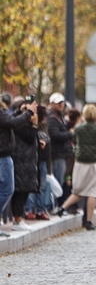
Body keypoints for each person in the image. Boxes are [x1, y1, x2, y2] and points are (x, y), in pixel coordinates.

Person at [56, 104, 96, 230]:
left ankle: (62, 207)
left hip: (81, 163)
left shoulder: (79, 128)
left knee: (78, 190)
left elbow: (74, 139)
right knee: (93, 192)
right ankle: (88, 221)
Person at [10, 99, 40, 231]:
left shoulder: (22, 120)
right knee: (20, 190)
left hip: (27, 160)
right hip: (21, 159)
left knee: (24, 189)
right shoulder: (19, 121)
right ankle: (17, 219)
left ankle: (19, 218)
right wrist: (34, 125)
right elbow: (29, 137)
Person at [24, 105, 52, 221]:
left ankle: (40, 209)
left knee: (42, 186)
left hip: (43, 159)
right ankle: (29, 209)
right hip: (34, 159)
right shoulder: (31, 126)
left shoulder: (44, 127)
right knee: (33, 185)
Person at [46, 92, 74, 208]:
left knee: (61, 180)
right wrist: (70, 134)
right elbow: (54, 135)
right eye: (58, 103)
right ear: (51, 103)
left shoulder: (59, 117)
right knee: (57, 180)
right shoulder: (52, 118)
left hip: (62, 153)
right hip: (57, 153)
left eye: (62, 102)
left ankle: (57, 204)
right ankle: (55, 205)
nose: (61, 105)